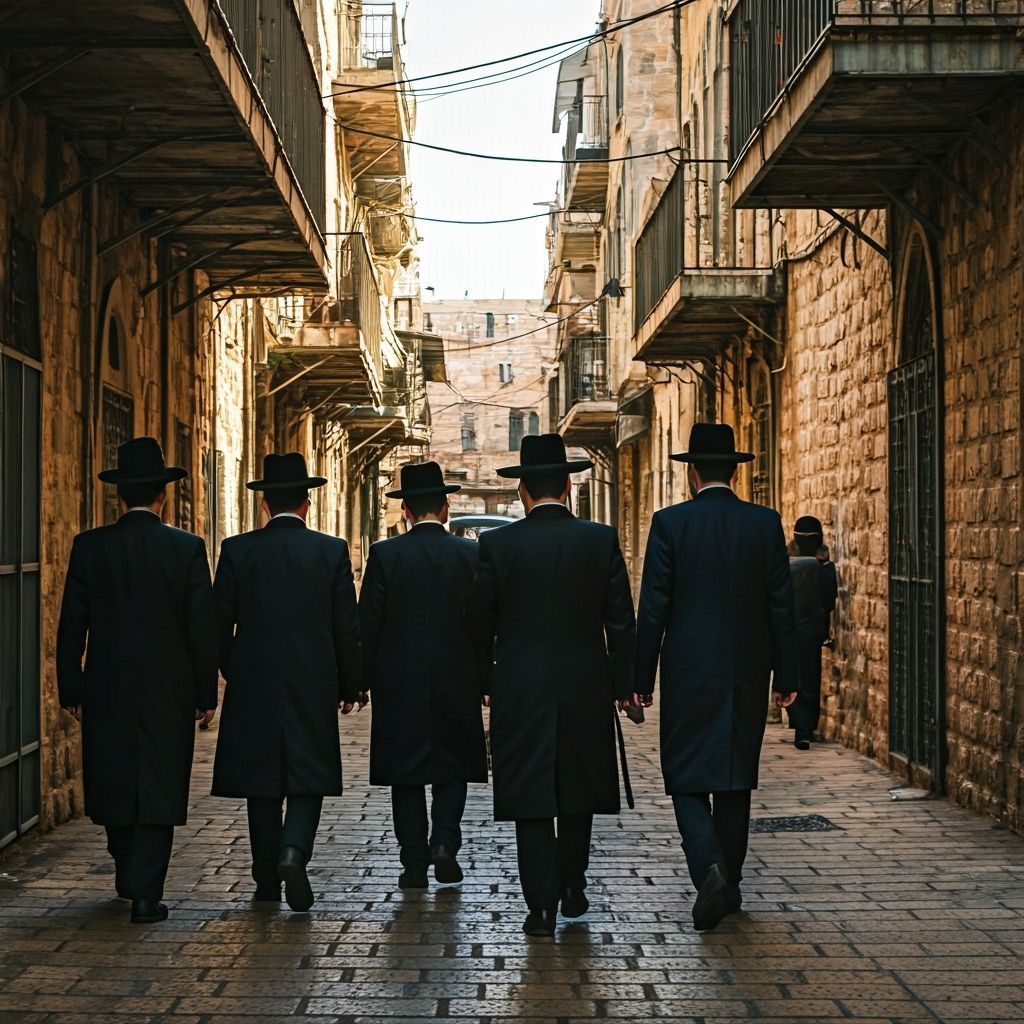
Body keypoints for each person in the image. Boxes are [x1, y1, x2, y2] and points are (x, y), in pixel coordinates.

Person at [468, 434, 637, 938]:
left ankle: (540, 905)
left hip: (520, 686)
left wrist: (485, 681)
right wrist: (623, 684)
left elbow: (478, 624)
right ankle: (573, 883)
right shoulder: (599, 540)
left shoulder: (497, 545)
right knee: (577, 788)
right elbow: (620, 622)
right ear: (567, 486)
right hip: (585, 683)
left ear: (522, 490)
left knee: (531, 793)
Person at [634, 423, 800, 932]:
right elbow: (781, 606)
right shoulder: (764, 523)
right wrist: (787, 673)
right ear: (735, 472)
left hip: (687, 669)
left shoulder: (670, 524)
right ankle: (731, 882)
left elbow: (653, 607)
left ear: (692, 474)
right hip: (747, 670)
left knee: (685, 773)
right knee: (734, 775)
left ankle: (709, 865)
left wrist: (640, 676)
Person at [56, 437, 218, 924]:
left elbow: (71, 626)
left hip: (106, 685)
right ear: (163, 495)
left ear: (119, 495)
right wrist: (205, 693)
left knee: (113, 774)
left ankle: (130, 869)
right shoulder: (187, 548)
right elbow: (201, 628)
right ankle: (146, 891)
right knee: (160, 781)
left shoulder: (90, 547)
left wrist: (71, 688)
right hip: (170, 687)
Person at [211, 453, 362, 912]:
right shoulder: (330, 551)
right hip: (312, 679)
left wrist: (231, 669)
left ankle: (264, 882)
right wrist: (351, 683)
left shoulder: (237, 550)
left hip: (254, 681)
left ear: (264, 504)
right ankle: (293, 851)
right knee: (307, 776)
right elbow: (345, 625)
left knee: (261, 783)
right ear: (307, 504)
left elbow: (217, 623)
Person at [359, 461, 488, 890]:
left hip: (398, 678)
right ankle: (445, 843)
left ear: (406, 511)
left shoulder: (385, 554)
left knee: (405, 772)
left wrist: (359, 680)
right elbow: (483, 622)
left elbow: (368, 622)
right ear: (446, 509)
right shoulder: (470, 554)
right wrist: (485, 680)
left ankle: (414, 860)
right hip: (457, 674)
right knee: (452, 764)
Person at [788, 515, 839, 750]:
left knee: (790, 675)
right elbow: (829, 599)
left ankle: (798, 722)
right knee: (809, 678)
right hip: (811, 629)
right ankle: (804, 728)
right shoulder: (822, 566)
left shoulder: (784, 561)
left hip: (787, 628)